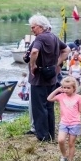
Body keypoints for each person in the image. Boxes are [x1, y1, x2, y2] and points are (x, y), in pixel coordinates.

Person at [29, 14, 69, 142]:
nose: (32, 30)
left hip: (39, 77)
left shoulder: (39, 38)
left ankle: (42, 136)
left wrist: (33, 65)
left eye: (33, 27)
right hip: (51, 77)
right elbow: (67, 50)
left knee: (39, 107)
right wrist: (56, 64)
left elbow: (34, 51)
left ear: (40, 27)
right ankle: (51, 134)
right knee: (49, 106)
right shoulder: (54, 37)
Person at [47, 76, 81, 161]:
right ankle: (64, 156)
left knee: (71, 143)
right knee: (61, 140)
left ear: (74, 88)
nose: (66, 90)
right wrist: (58, 90)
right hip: (64, 123)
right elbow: (49, 98)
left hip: (75, 123)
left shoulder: (78, 97)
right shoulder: (61, 96)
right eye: (64, 87)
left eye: (68, 88)